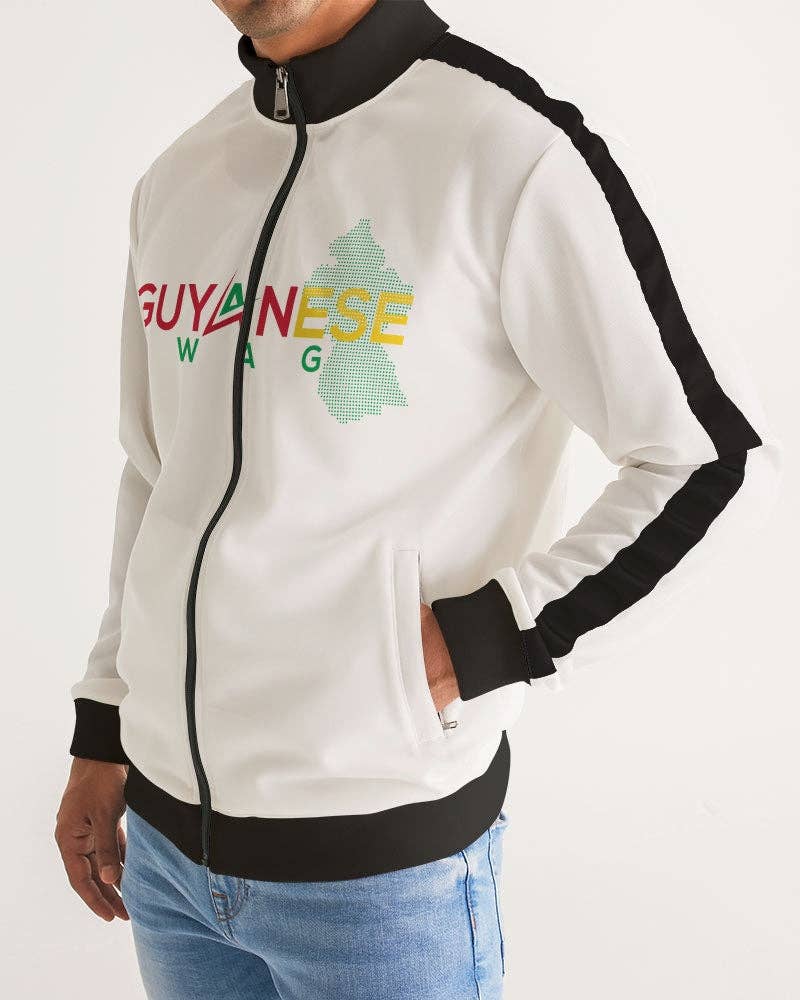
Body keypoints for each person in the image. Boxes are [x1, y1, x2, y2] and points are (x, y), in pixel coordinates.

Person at [54, 1, 778, 997]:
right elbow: (155, 473)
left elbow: (709, 460)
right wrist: (105, 727)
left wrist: (493, 636)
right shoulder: (180, 177)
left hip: (381, 878)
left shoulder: (510, 152)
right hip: (167, 860)